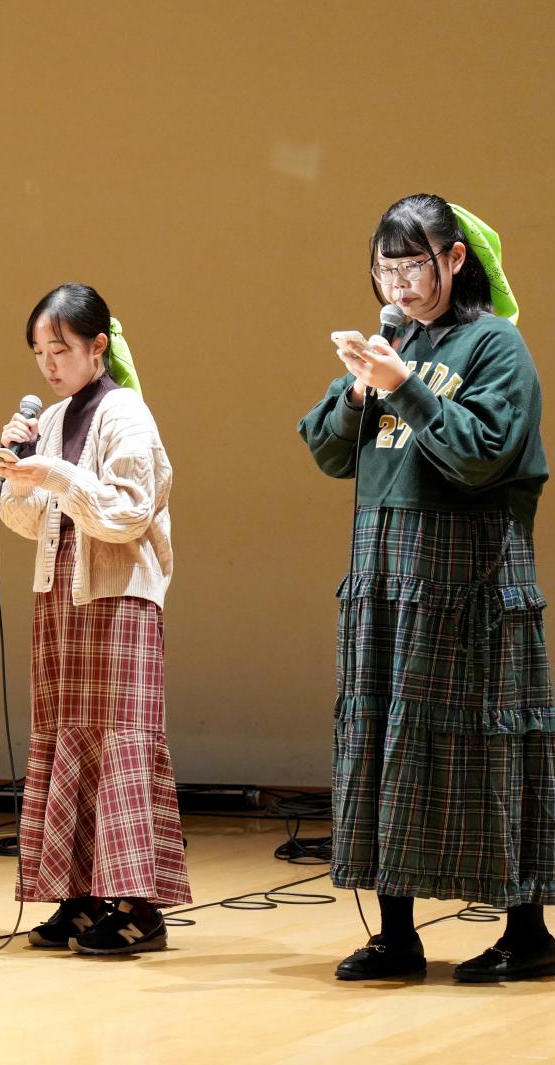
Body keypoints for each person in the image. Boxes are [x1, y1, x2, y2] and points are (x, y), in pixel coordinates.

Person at [299, 195, 555, 982]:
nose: (399, 283)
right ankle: (397, 933)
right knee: (384, 739)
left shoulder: (495, 344)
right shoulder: (397, 343)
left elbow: (481, 454)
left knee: (490, 742)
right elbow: (327, 451)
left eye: (413, 264)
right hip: (385, 572)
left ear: (455, 258)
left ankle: (528, 931)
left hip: (469, 574)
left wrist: (405, 386)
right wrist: (357, 392)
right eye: (385, 268)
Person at [0, 282, 189, 955]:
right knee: (67, 738)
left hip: (119, 599)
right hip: (60, 598)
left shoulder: (125, 412)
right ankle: (78, 897)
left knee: (120, 743)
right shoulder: (51, 419)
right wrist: (18, 470)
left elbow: (128, 512)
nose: (49, 364)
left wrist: (55, 476)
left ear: (98, 345)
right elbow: (28, 520)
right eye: (39, 352)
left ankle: (141, 907)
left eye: (61, 349)